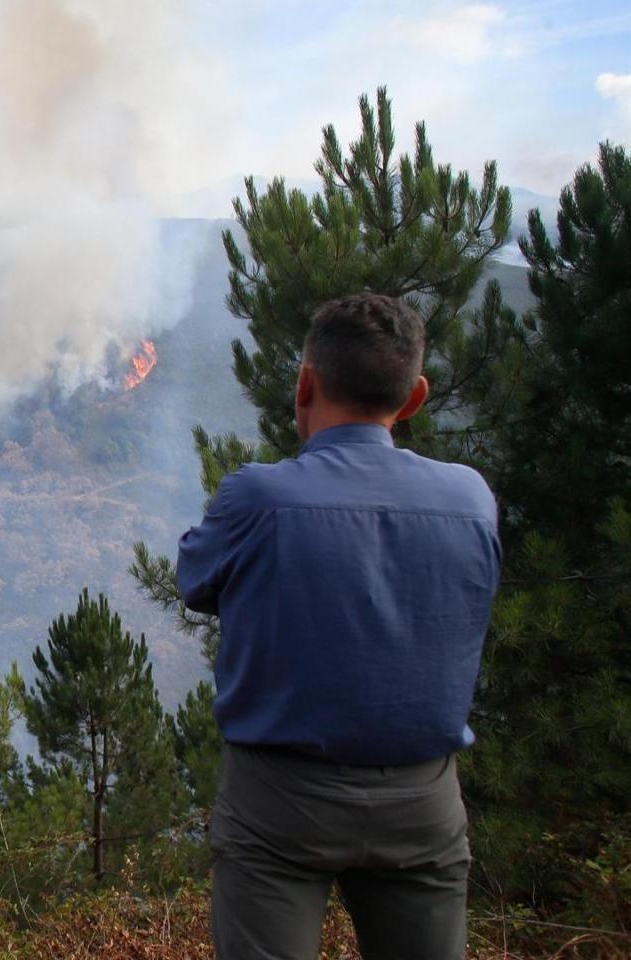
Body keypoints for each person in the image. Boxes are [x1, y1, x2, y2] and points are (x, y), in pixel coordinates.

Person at [177, 293, 500, 959]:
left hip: (279, 802)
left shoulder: (257, 497)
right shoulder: (471, 498)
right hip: (424, 800)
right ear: (414, 398)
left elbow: (195, 582)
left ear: (305, 382)